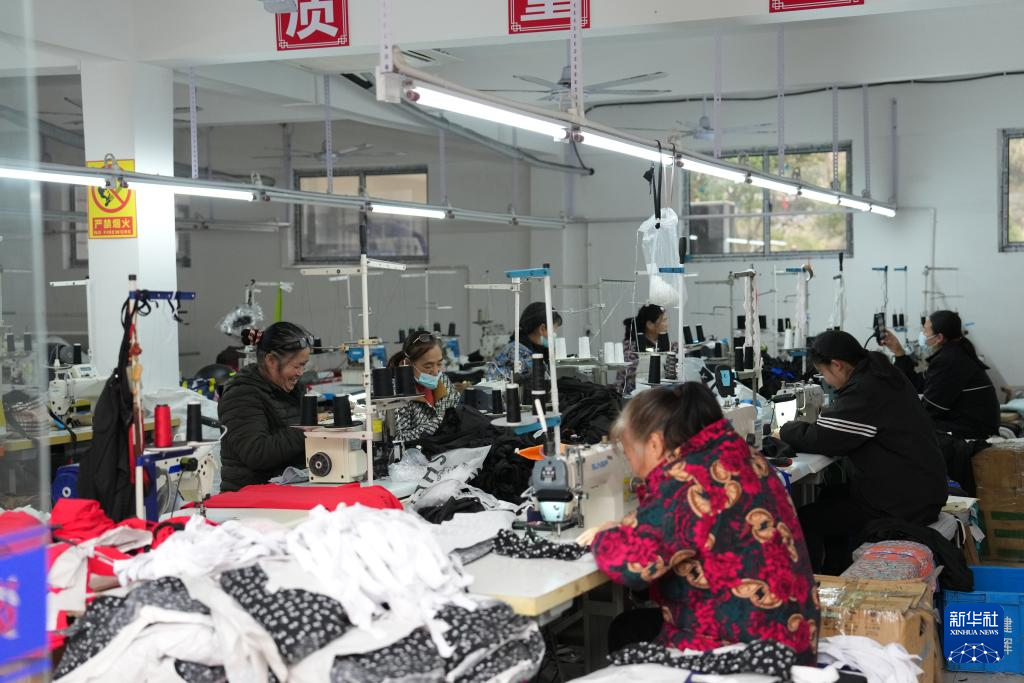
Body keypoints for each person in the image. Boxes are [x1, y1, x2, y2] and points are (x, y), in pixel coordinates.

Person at [580, 383, 819, 663]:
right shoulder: (736, 454)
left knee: (627, 633)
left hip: (749, 649)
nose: (632, 465)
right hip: (790, 633)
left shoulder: (687, 479)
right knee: (629, 627)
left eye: (630, 453)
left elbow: (632, 565)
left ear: (655, 444)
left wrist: (603, 536)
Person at [780, 330, 947, 574]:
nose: (827, 381)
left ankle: (815, 586)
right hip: (921, 489)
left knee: (805, 519)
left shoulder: (866, 390)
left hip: (903, 504)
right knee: (828, 494)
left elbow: (823, 438)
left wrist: (785, 430)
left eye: (824, 373)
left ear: (837, 365)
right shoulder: (881, 371)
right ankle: (835, 569)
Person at [218, 322, 313, 492]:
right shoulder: (240, 395)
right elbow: (256, 453)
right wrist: (307, 430)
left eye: (303, 365)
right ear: (271, 360)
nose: (300, 372)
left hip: (285, 489)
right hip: (247, 497)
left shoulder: (292, 389)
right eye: (296, 366)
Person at [882, 310, 999, 439]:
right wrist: (898, 352)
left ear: (939, 338)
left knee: (900, 426)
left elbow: (930, 409)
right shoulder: (953, 353)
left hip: (972, 429)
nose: (922, 334)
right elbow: (920, 384)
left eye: (925, 331)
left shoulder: (950, 360)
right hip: (970, 423)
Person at [388, 331, 463, 443]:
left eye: (439, 364)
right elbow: (399, 439)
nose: (436, 372)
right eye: (428, 366)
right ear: (408, 364)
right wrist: (441, 421)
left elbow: (458, 415)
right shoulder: (397, 393)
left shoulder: (443, 381)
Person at [486, 302, 562, 381]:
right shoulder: (521, 354)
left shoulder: (521, 347)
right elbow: (544, 382)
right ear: (542, 329)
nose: (555, 334)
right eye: (554, 329)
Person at [619, 303, 677, 394]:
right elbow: (632, 373)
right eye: (663, 320)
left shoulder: (672, 346)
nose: (667, 324)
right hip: (634, 393)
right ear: (650, 324)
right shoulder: (630, 347)